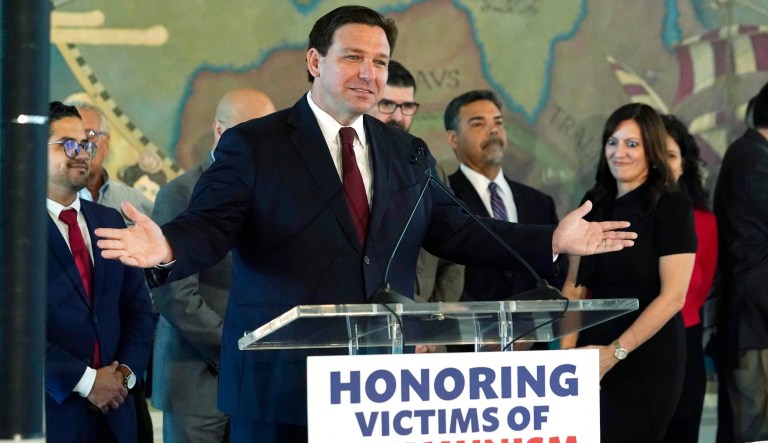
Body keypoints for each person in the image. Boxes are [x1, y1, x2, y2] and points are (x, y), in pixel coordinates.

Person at [94, 6, 637, 442]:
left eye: (379, 62)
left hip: (378, 391)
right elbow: (209, 226)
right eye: (353, 57)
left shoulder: (407, 153)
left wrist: (552, 239)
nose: (368, 73)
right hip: (281, 385)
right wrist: (166, 246)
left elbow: (459, 230)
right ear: (315, 61)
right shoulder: (255, 144)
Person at [560, 103, 696, 443]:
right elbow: (574, 289)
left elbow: (673, 297)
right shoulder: (594, 202)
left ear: (651, 150)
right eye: (612, 141)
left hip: (646, 356)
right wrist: (562, 359)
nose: (619, 152)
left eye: (631, 144)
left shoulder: (671, 205)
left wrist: (616, 352)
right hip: (589, 354)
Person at [151, 88, 276, 443]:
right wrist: (239, 346)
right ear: (220, 131)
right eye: (250, 132)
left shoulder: (274, 193)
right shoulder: (182, 193)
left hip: (260, 382)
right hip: (198, 380)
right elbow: (175, 295)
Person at [45, 101, 156, 443]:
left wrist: (121, 377)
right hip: (52, 413)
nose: (82, 153)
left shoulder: (108, 221)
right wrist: (88, 382)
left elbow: (140, 312)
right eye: (68, 144)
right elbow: (13, 332)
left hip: (119, 414)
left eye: (87, 144)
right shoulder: (13, 228)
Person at [445, 90, 565, 302]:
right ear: (453, 138)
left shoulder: (539, 203)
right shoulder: (444, 197)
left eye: (498, 122)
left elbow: (556, 274)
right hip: (468, 330)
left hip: (533, 331)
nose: (493, 130)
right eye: (478, 123)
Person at [366, 59, 464, 304]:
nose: (398, 117)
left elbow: (453, 252)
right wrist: (415, 316)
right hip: (379, 324)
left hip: (431, 329)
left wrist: (435, 318)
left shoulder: (429, 169)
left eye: (407, 106)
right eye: (387, 104)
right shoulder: (352, 167)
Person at [714, 81, 768, 442]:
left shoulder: (747, 153)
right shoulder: (755, 160)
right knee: (755, 429)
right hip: (755, 320)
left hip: (752, 319)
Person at [661, 114, 718, 443]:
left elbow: (703, 285)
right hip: (629, 347)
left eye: (670, 155)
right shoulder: (618, 216)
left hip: (686, 342)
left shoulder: (704, 221)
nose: (662, 164)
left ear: (685, 163)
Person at [65, 101, 154, 226]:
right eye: (69, 138)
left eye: (90, 135)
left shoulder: (134, 202)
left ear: (106, 144)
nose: (80, 148)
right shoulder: (41, 202)